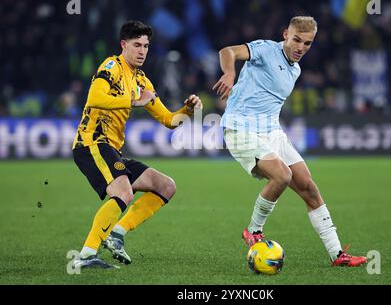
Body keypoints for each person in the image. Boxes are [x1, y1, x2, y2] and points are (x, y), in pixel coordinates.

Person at [213, 16, 366, 266]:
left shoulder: (296, 69)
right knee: (282, 176)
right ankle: (253, 230)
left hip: (272, 132)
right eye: (296, 40)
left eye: (307, 43)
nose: (300, 48)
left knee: (308, 187)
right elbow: (227, 51)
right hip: (240, 129)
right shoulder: (265, 50)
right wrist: (229, 72)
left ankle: (338, 254)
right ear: (286, 34)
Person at [72, 20, 202, 269]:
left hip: (112, 148)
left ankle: (116, 234)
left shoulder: (142, 81)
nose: (142, 51)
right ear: (124, 45)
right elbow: (95, 97)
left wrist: (187, 109)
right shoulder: (112, 66)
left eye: (146, 46)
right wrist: (133, 100)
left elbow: (169, 120)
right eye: (137, 45)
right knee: (123, 192)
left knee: (165, 186)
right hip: (91, 142)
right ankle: (86, 256)